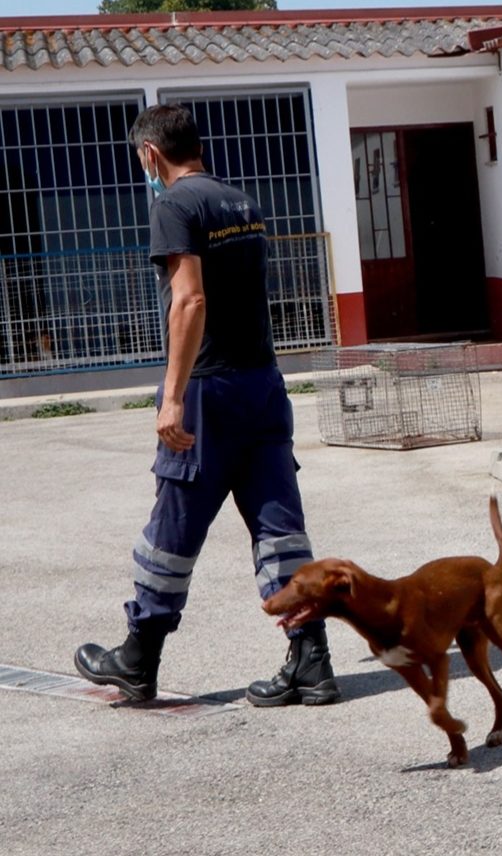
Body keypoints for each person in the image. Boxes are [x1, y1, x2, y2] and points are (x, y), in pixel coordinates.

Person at [74, 104, 338, 707]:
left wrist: (171, 397)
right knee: (279, 525)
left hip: (210, 391)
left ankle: (138, 658)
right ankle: (312, 660)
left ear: (150, 155)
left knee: (174, 525)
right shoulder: (240, 202)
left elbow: (189, 302)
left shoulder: (173, 205)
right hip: (263, 387)